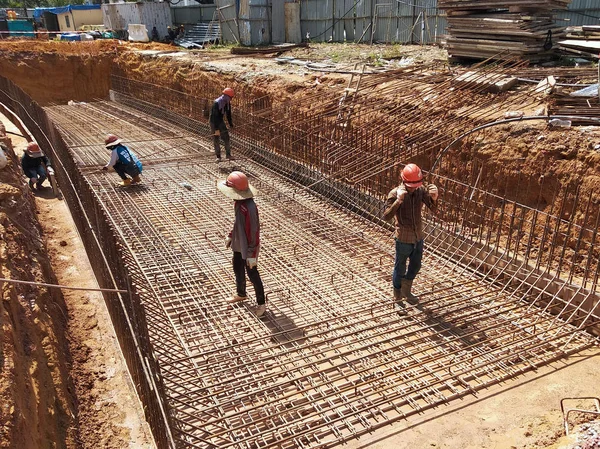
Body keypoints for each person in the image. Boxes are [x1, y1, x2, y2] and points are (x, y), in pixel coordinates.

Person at [382, 163, 438, 308]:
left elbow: (433, 209)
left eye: (417, 184)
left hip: (418, 237)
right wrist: (398, 201)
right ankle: (398, 297)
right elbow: (386, 216)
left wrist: (434, 198)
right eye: (412, 185)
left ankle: (406, 290)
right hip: (403, 239)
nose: (414, 187)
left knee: (416, 265)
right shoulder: (395, 194)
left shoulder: (420, 191)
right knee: (400, 267)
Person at [217, 171, 266, 317]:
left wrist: (251, 254)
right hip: (239, 243)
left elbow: (253, 232)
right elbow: (238, 223)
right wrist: (231, 235)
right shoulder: (238, 203)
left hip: (248, 246)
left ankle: (261, 305)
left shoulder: (249, 208)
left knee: (252, 274)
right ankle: (241, 293)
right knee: (237, 267)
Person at [209, 87, 235, 162]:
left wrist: (231, 124)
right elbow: (214, 116)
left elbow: (228, 114)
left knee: (226, 137)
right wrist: (216, 129)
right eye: (231, 97)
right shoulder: (216, 103)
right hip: (213, 122)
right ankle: (218, 156)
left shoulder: (227, 103)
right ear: (226, 96)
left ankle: (228, 155)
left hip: (220, 121)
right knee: (216, 138)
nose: (231, 99)